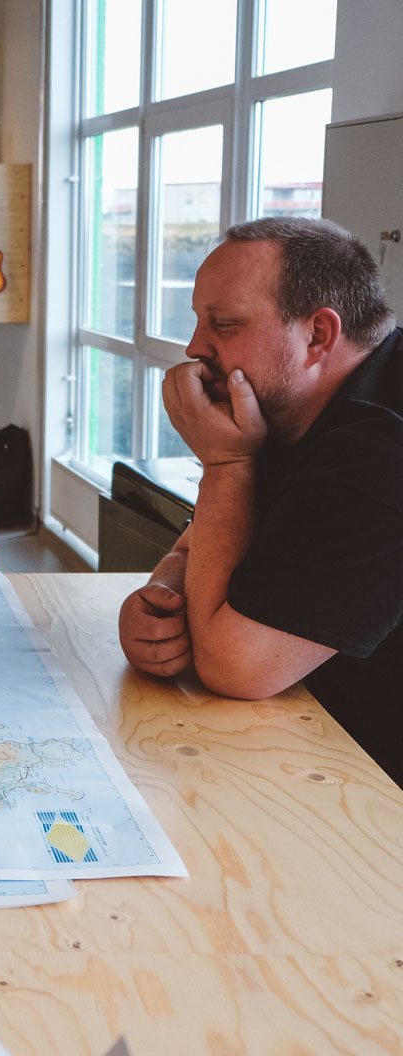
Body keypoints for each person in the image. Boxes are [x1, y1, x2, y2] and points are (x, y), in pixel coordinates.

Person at [118, 217, 401, 780]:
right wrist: (163, 597)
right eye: (198, 320)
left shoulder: (381, 449)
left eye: (223, 324)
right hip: (308, 732)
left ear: (318, 335)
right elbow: (193, 546)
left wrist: (224, 464)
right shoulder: (292, 403)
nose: (195, 347)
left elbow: (236, 666)